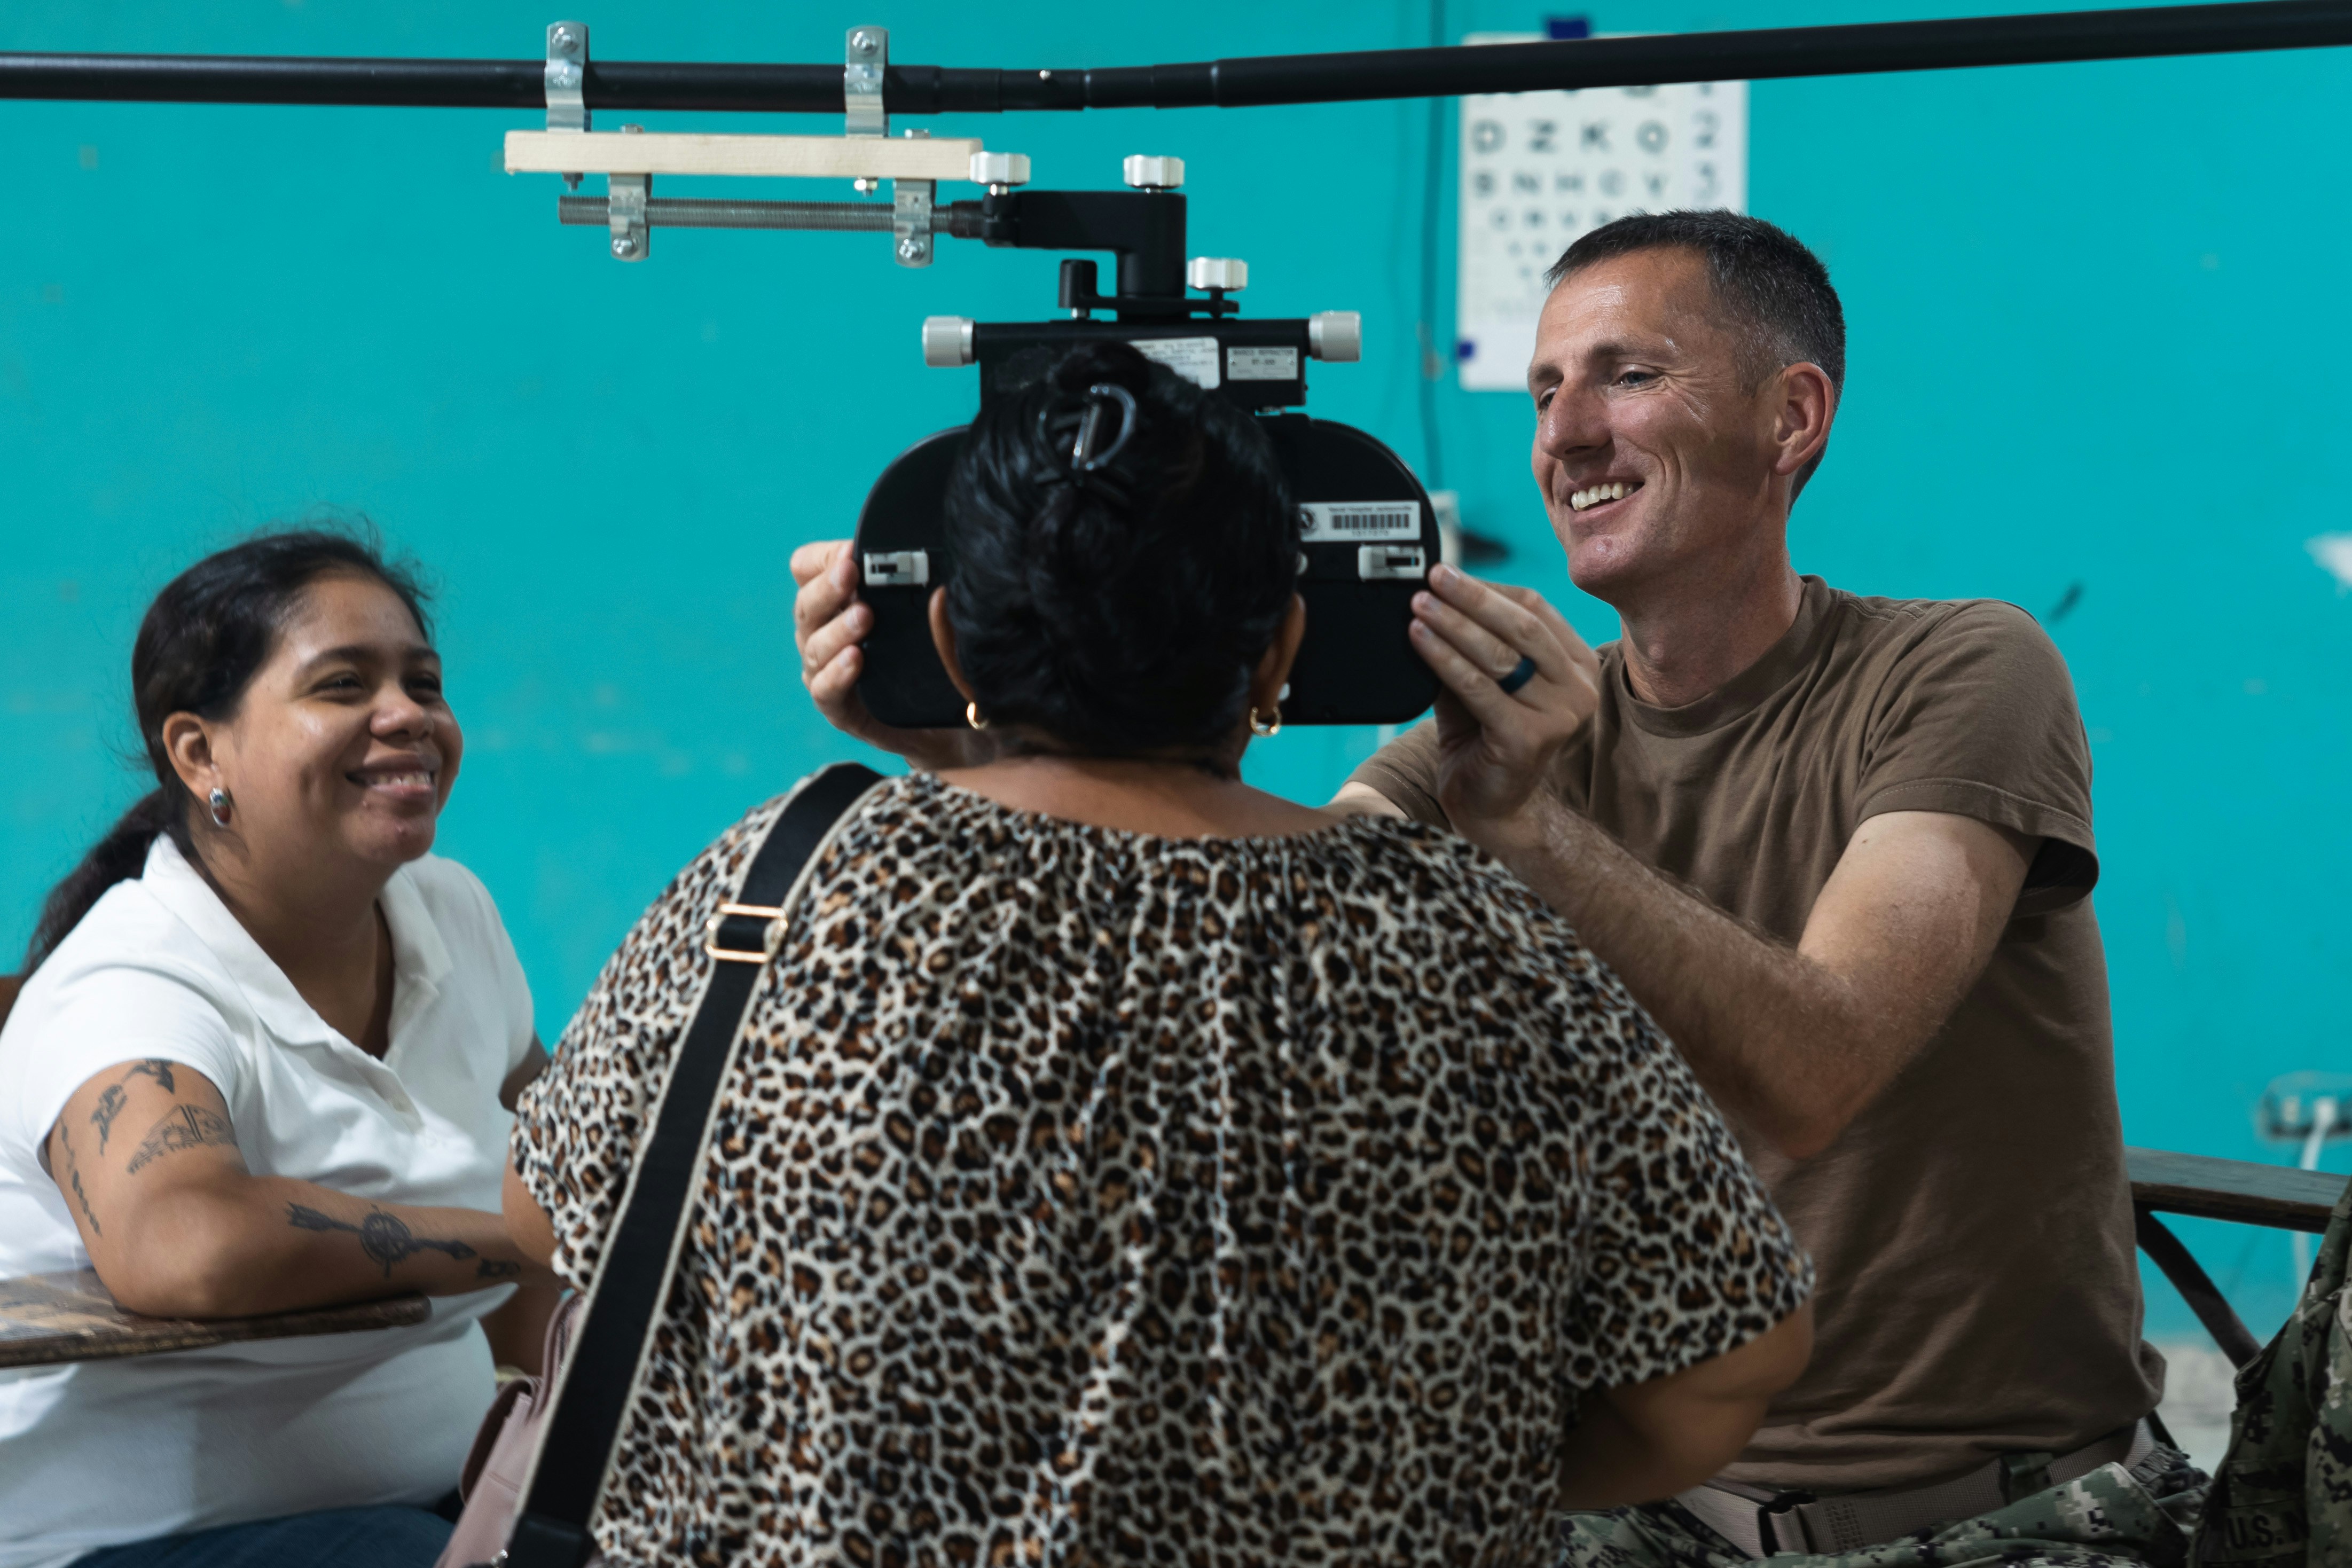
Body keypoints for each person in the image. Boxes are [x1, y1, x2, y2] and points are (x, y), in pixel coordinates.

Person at [793, 215, 2199, 1566]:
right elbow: (1201, 944)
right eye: (1540, 392)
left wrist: (1528, 832)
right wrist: (993, 740)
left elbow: (1817, 1066)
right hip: (1638, 1507)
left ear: (1792, 417)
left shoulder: (1961, 672)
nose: (1563, 435)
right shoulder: (1481, 752)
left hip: (1982, 1516)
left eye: (1626, 377)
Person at [513, 342, 1814, 1566]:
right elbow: (1725, 1367)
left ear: (955, 639)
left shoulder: (779, 887)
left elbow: (541, 1225)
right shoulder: (1492, 949)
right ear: (1283, 656)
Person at [0, 531, 559, 1568]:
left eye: (424, 683)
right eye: (343, 684)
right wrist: (519, 1235)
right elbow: (184, 1244)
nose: (408, 715)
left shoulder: (455, 915)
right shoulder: (131, 982)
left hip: (427, 1508)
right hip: (133, 1541)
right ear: (201, 753)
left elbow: (570, 1172)